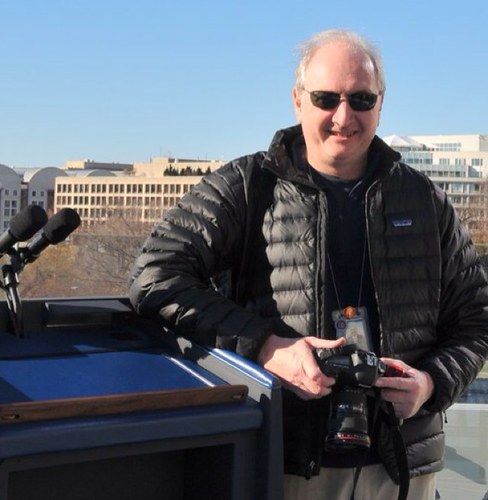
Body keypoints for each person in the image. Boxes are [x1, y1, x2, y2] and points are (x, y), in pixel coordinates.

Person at [129, 29, 488, 500]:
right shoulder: (245, 186)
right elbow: (152, 279)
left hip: (402, 465)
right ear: (298, 101)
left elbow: (476, 318)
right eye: (326, 98)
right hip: (283, 458)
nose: (344, 116)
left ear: (381, 104)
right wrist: (265, 346)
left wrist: (429, 384)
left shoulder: (424, 199)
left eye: (361, 98)